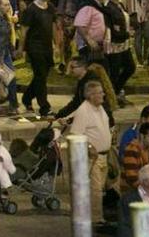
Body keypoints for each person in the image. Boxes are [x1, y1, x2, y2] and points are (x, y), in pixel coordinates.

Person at [66, 81, 112, 226]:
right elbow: (75, 135)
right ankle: (95, 220)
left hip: (104, 155)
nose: (103, 94)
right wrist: (90, 146)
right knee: (95, 190)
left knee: (100, 189)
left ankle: (96, 216)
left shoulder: (100, 108)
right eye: (99, 92)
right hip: (92, 158)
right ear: (91, 95)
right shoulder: (83, 111)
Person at [18, 0, 55, 117]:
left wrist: (56, 44)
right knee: (40, 76)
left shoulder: (50, 7)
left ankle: (27, 98)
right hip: (34, 46)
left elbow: (54, 26)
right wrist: (21, 48)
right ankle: (44, 106)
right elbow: (24, 30)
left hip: (47, 46)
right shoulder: (31, 10)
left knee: (42, 75)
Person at [121, 122, 149, 190]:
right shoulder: (132, 149)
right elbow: (132, 178)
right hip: (131, 192)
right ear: (142, 136)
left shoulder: (148, 149)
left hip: (143, 189)